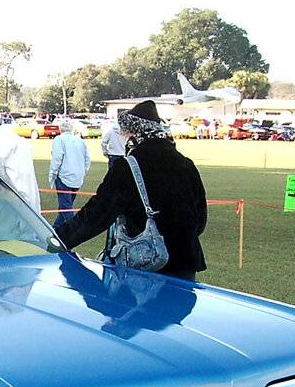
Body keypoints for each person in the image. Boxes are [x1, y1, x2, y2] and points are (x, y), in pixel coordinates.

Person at [55, 100, 207, 281]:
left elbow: (95, 215)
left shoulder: (127, 167)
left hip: (147, 263)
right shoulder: (185, 164)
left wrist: (59, 239)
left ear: (133, 132)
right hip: (186, 262)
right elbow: (200, 219)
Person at [48, 123, 90, 230]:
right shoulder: (80, 141)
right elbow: (87, 159)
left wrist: (52, 175)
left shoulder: (59, 139)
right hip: (77, 177)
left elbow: (57, 159)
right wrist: (83, 172)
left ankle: (75, 231)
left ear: (60, 129)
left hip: (64, 177)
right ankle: (56, 229)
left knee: (66, 207)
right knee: (65, 206)